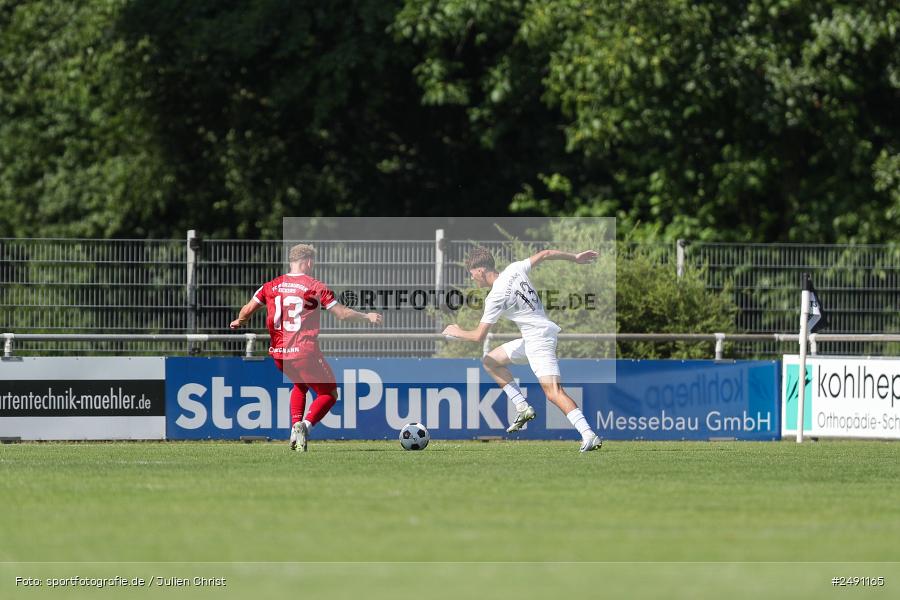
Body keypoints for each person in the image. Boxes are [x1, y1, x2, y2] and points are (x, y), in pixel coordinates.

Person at [442, 247, 602, 452]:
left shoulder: (495, 296)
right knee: (490, 361)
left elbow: (477, 336)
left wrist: (456, 331)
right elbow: (546, 253)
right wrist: (575, 257)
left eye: (472, 274)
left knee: (553, 392)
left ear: (480, 271)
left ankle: (589, 435)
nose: (472, 279)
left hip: (538, 340)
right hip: (532, 338)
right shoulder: (514, 269)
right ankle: (522, 406)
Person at [230, 243, 383, 451]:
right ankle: (306, 426)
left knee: (300, 386)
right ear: (308, 262)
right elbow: (342, 314)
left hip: (279, 354)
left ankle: (295, 429)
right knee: (329, 394)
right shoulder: (315, 286)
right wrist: (367, 316)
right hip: (304, 352)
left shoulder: (271, 285)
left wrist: (240, 321)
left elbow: (247, 310)